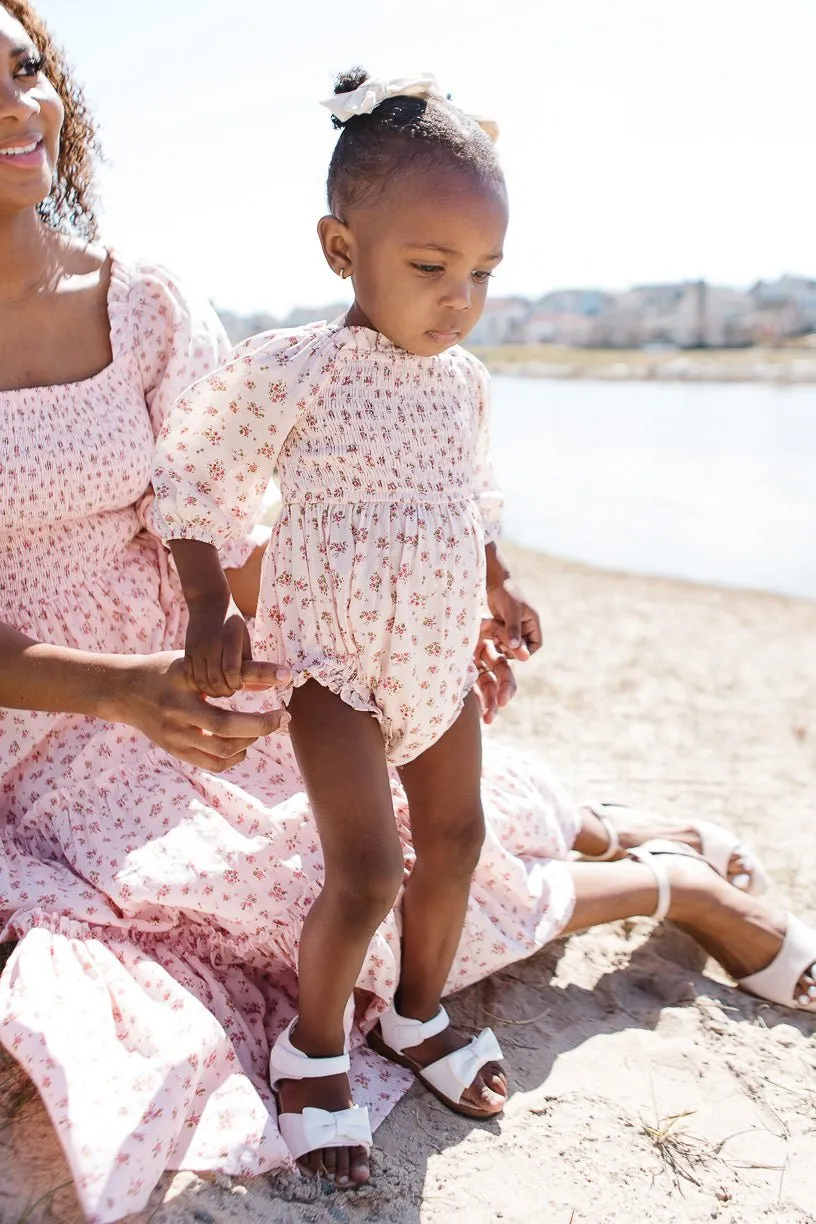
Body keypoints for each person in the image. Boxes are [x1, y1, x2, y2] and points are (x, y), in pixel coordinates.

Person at [0, 6, 813, 1219]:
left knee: (428, 824)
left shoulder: (149, 305)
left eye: (21, 67)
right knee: (295, 891)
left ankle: (613, 838)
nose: (16, 105)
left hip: (223, 663)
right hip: (56, 715)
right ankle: (668, 886)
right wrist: (124, 690)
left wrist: (422, 608)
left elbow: (257, 510)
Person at [151, 66, 543, 1173]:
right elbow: (190, 479)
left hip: (434, 662)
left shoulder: (464, 383)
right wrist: (209, 599)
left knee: (460, 840)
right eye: (430, 267)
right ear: (342, 250)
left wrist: (497, 585)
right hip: (332, 664)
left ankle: (417, 1013)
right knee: (368, 872)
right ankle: (313, 1045)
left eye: (482, 272)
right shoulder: (297, 372)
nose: (457, 296)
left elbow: (473, 497)